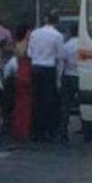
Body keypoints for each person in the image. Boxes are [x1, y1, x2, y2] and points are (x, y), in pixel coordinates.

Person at [28, 11, 64, 141]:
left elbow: (29, 53)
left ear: (45, 19)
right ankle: (47, 130)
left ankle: (36, 131)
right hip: (49, 69)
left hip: (35, 68)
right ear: (57, 22)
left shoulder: (35, 33)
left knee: (36, 100)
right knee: (48, 101)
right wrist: (59, 79)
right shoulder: (57, 36)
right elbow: (60, 57)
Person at [6, 23, 34, 143]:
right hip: (27, 76)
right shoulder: (28, 45)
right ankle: (24, 131)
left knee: (19, 105)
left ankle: (17, 129)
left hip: (19, 76)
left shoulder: (16, 45)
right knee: (26, 106)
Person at [59, 26, 80, 142]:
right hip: (81, 76)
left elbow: (62, 62)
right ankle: (88, 130)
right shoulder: (83, 45)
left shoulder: (66, 46)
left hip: (68, 75)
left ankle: (63, 131)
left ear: (70, 32)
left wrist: (59, 78)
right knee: (83, 103)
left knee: (65, 105)